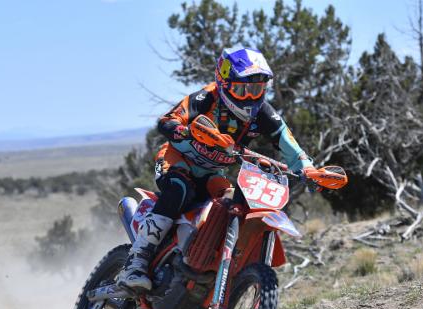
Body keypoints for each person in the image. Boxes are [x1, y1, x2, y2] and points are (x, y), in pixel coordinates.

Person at [118, 45, 316, 292]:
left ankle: (207, 262)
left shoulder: (263, 112)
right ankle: (136, 263)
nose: (250, 97)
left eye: (257, 89)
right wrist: (187, 131)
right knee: (180, 189)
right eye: (242, 89)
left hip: (212, 173)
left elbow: (289, 144)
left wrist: (308, 168)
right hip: (176, 160)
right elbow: (166, 121)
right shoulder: (206, 98)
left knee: (230, 203)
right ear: (224, 83)